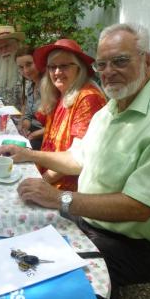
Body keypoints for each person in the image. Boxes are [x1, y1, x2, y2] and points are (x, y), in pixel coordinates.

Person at [0, 23, 150, 297]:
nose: (108, 72)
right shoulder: (109, 110)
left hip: (129, 245)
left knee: (42, 280)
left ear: (148, 61)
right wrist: (28, 154)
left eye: (120, 61)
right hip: (89, 220)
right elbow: (77, 158)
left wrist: (60, 199)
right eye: (102, 64)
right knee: (14, 239)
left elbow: (140, 207)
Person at [34, 39, 106, 191]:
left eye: (64, 66)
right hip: (50, 174)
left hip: (70, 190)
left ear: (79, 68)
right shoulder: (60, 94)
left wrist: (43, 181)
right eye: (52, 67)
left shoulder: (87, 98)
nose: (57, 72)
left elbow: (77, 158)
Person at [15, 46, 45, 150]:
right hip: (32, 134)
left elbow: (58, 125)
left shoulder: (50, 87)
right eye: (21, 67)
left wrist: (34, 135)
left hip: (46, 139)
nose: (25, 70)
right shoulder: (31, 86)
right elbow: (28, 114)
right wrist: (25, 126)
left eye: (29, 64)